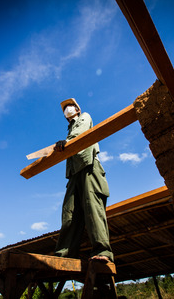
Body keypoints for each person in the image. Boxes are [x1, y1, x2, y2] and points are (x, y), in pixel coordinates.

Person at [53, 98, 113, 262]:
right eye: (65, 108)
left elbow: (79, 133)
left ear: (77, 109)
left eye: (70, 106)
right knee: (69, 213)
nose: (67, 109)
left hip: (89, 167)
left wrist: (67, 142)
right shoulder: (68, 132)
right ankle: (63, 255)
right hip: (73, 174)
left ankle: (103, 252)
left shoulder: (84, 117)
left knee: (92, 208)